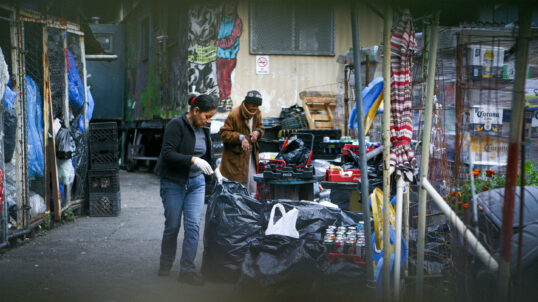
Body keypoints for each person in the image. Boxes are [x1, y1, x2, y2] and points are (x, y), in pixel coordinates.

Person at [154, 94, 221, 286]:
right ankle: (165, 263)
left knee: (192, 227)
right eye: (207, 116)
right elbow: (167, 153)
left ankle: (187, 270)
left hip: (196, 183)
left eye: (211, 118)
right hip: (173, 182)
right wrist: (192, 159)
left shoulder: (204, 128)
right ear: (195, 111)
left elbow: (207, 155)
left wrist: (215, 168)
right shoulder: (176, 125)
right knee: (173, 226)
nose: (208, 121)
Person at [219, 90, 264, 194]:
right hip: (235, 158)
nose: (255, 108)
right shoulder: (234, 114)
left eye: (257, 105)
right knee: (237, 187)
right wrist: (240, 138)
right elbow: (224, 134)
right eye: (253, 105)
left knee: (253, 185)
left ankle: (249, 206)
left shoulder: (257, 113)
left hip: (251, 156)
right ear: (246, 103)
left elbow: (261, 128)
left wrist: (257, 133)